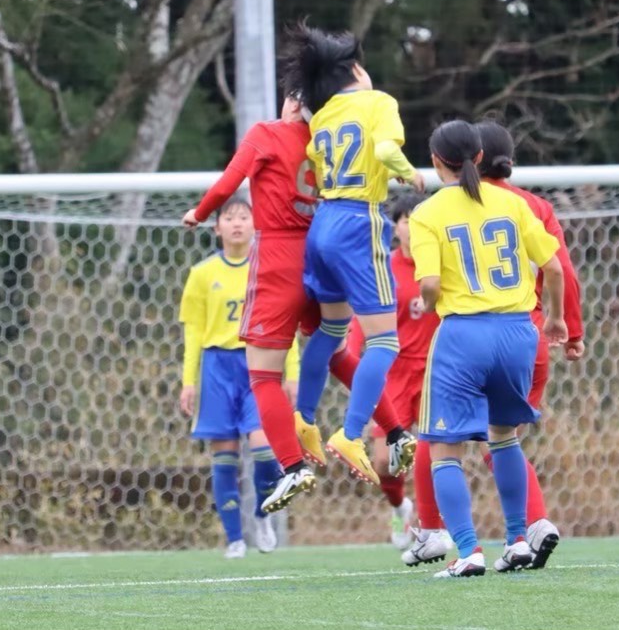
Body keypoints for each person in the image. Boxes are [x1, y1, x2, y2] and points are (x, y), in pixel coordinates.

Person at [181, 95, 414, 514]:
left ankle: (291, 466)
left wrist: (199, 213)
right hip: (324, 248)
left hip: (278, 258)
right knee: (337, 350)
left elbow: (228, 183)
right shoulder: (328, 136)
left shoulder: (267, 133)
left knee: (262, 375)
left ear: (292, 99)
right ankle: (396, 431)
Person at [410, 120, 566, 577]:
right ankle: (517, 542)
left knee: (444, 448)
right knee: (504, 437)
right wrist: (555, 318)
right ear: (480, 157)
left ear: (436, 162)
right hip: (518, 332)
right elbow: (554, 267)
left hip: (464, 334)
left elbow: (431, 284)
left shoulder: (428, 212)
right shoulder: (514, 204)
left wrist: (427, 303)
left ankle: (467, 551)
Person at [279, 24, 424, 486]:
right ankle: (351, 433)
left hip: (323, 223)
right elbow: (384, 148)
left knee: (331, 329)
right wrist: (408, 172)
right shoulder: (378, 102)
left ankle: (303, 418)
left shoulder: (322, 116)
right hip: (360, 222)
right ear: (357, 70)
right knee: (384, 342)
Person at [176, 198, 296, 558]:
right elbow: (193, 332)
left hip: (258, 363)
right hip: (216, 368)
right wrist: (188, 381)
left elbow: (284, 322)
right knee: (224, 456)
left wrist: (292, 372)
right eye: (229, 218)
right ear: (217, 229)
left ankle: (262, 515)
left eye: (244, 217)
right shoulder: (202, 273)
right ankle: (234, 539)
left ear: (255, 226)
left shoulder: (268, 269)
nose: (237, 223)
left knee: (264, 449)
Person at [342, 191, 433, 548]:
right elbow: (361, 319)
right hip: (393, 374)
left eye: (420, 220)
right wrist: (350, 359)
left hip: (435, 372)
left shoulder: (441, 264)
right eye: (407, 220)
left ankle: (434, 526)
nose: (413, 227)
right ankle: (400, 507)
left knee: (436, 453)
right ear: (396, 227)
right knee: (384, 463)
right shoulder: (384, 267)